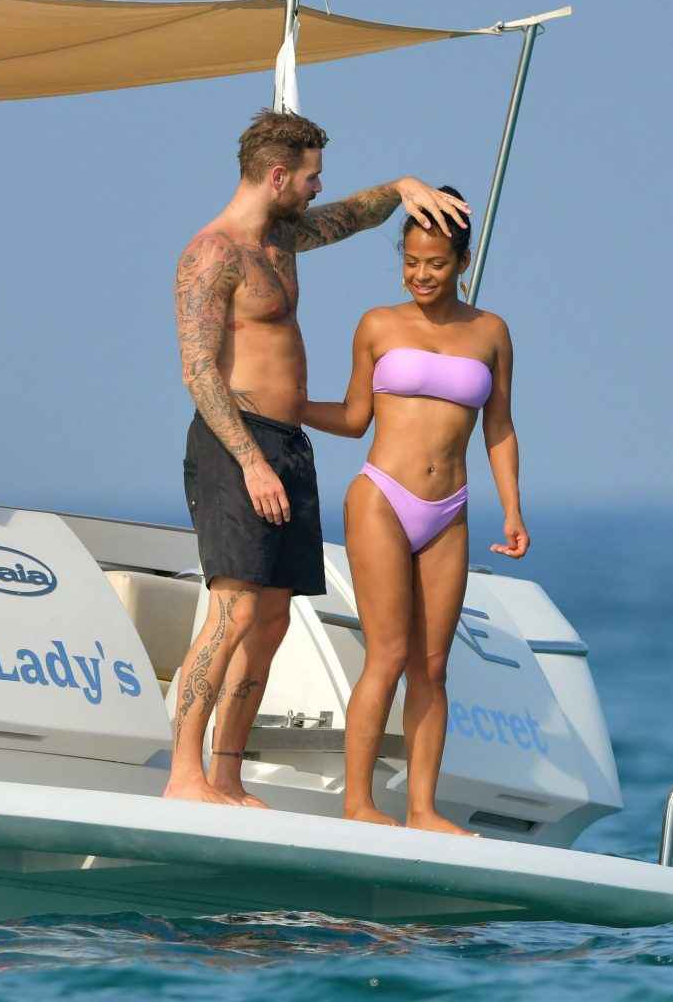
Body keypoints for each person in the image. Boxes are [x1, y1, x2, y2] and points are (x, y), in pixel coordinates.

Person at [164, 111, 471, 806]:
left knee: (272, 621)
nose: (317, 187)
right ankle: (185, 775)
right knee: (234, 612)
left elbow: (349, 218)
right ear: (278, 176)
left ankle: (227, 776)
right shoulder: (212, 253)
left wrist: (402, 187)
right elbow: (198, 371)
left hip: (288, 446)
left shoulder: (281, 237)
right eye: (310, 177)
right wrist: (250, 461)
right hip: (235, 444)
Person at [302, 187, 530, 833]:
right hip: (382, 497)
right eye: (410, 262)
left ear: (462, 262)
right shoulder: (377, 324)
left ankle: (423, 810)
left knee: (432, 666)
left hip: (449, 509)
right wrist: (287, 406)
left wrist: (512, 510)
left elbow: (499, 427)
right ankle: (358, 803)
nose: (420, 275)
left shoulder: (491, 332)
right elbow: (354, 417)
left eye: (435, 263)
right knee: (388, 654)